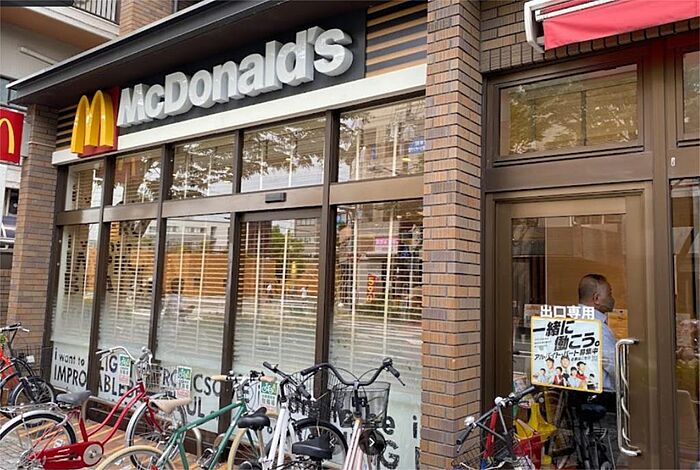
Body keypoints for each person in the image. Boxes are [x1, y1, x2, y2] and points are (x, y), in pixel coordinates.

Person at [578, 273, 617, 391]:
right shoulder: (596, 327)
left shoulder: (573, 319)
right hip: (601, 395)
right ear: (596, 299)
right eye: (609, 294)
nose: (612, 299)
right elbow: (615, 366)